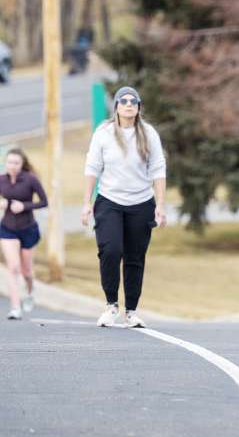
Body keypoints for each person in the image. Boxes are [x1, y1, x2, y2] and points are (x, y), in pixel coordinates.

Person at [81, 86, 168, 329]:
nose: (129, 104)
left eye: (134, 101)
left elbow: (158, 169)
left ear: (139, 107)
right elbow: (92, 168)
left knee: (135, 257)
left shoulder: (148, 134)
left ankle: (131, 311)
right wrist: (87, 203)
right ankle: (111, 305)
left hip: (141, 203)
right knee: (110, 251)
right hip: (109, 201)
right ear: (116, 106)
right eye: (124, 101)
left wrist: (160, 205)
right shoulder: (104, 133)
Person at [0, 148, 49, 320]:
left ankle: (30, 291)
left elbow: (44, 202)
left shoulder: (31, 180)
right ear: (5, 163)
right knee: (13, 267)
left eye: (16, 163)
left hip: (28, 229)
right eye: (9, 162)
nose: (12, 166)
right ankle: (15, 307)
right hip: (7, 228)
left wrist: (24, 206)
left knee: (26, 271)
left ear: (22, 164)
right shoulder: (0, 180)